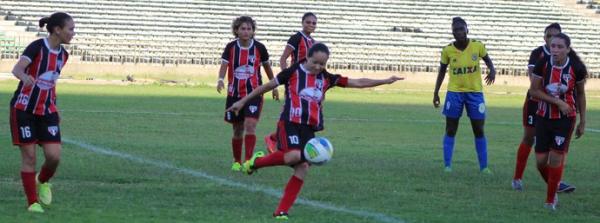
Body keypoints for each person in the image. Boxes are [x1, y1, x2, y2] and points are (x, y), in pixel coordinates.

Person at [227, 43, 402, 219]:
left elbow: (356, 82)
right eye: (315, 62)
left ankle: (281, 211)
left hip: (309, 129)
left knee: (302, 167)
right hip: (289, 122)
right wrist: (242, 102)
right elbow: (267, 86)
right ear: (307, 58)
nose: (318, 67)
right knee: (293, 156)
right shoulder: (293, 72)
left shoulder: (326, 78)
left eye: (322, 64)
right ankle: (256, 162)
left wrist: (385, 80)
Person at [9, 12, 75, 213]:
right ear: (57, 30)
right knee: (29, 157)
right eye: (70, 29)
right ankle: (32, 203)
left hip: (47, 111)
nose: (73, 33)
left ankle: (43, 180)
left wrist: (54, 106)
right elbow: (17, 69)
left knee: (54, 157)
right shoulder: (37, 47)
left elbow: (50, 83)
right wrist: (24, 77)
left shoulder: (64, 56)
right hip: (24, 109)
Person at [511, 23, 575, 192]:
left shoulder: (568, 57)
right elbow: (534, 80)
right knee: (529, 138)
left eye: (555, 37)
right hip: (535, 103)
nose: (551, 40)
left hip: (556, 109)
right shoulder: (537, 54)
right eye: (548, 36)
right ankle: (517, 178)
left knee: (558, 148)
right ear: (544, 37)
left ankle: (555, 185)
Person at [529, 33, 586, 210]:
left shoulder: (577, 67)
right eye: (553, 46)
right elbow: (534, 92)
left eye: (560, 47)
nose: (555, 50)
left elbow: (581, 94)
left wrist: (583, 121)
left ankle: (550, 200)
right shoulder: (542, 64)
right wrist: (558, 102)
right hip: (543, 117)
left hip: (565, 119)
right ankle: (555, 186)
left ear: (568, 49)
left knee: (555, 159)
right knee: (540, 162)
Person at [433, 17, 496, 173]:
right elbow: (441, 72)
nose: (459, 32)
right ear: (452, 32)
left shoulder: (478, 46)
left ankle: (484, 167)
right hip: (454, 94)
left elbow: (488, 60)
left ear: (467, 29)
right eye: (456, 30)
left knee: (479, 129)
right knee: (450, 129)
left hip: (475, 94)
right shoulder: (447, 50)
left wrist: (492, 70)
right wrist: (436, 93)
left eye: (462, 29)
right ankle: (447, 166)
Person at [217, 16, 279, 172]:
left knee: (250, 125)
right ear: (236, 30)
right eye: (242, 28)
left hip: (253, 94)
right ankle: (237, 161)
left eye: (249, 29)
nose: (246, 31)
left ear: (253, 31)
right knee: (237, 129)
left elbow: (266, 67)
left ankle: (248, 161)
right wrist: (220, 80)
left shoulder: (259, 48)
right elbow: (224, 65)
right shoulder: (231, 47)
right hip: (234, 94)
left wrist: (274, 85)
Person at [264, 12, 318, 153]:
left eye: (314, 23)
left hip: (308, 82)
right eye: (308, 22)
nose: (311, 25)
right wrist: (286, 75)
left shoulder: (313, 42)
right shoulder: (296, 38)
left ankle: (277, 138)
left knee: (302, 112)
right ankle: (274, 139)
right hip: (295, 80)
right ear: (302, 23)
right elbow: (283, 58)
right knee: (290, 110)